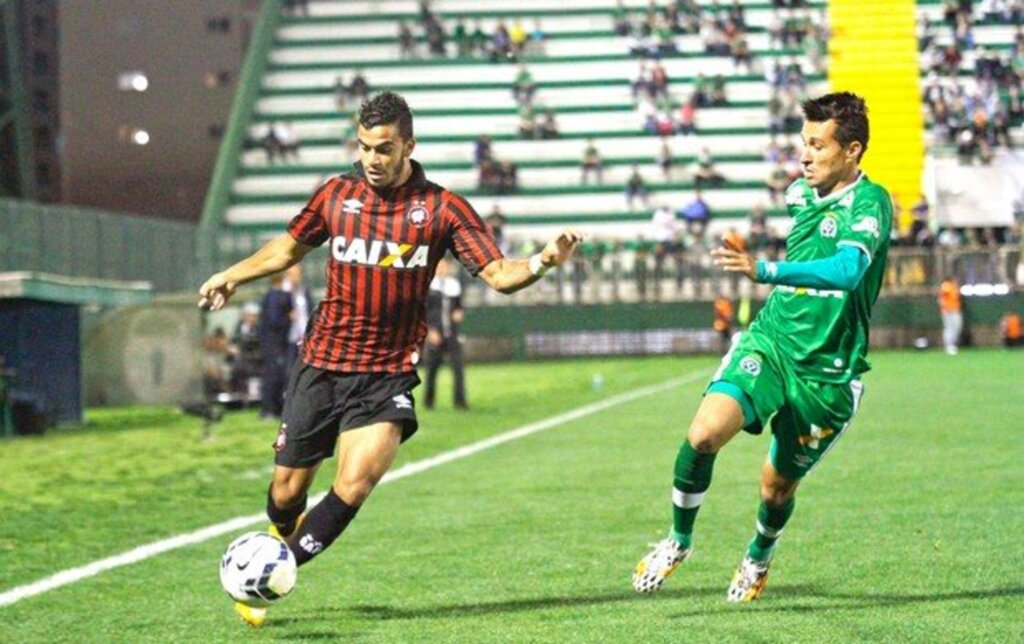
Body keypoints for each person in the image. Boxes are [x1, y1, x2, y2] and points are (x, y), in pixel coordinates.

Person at [198, 91, 582, 627]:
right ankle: (277, 544)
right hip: (322, 364)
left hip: (386, 374)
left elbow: (498, 275)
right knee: (286, 493)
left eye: (383, 148)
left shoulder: (443, 209)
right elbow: (286, 250)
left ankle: (274, 569)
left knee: (354, 484)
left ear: (409, 146)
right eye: (364, 147)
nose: (372, 160)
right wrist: (230, 276)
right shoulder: (336, 194)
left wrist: (543, 260)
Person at [632, 92, 893, 603]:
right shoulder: (799, 194)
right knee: (704, 434)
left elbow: (847, 270)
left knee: (776, 487)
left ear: (852, 151)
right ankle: (678, 541)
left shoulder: (871, 202)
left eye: (818, 145)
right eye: (803, 143)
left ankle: (758, 557)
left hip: (828, 374)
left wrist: (764, 270)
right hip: (771, 342)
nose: (805, 155)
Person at [423, 257, 467, 409]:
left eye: (444, 266)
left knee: (458, 369)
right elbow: (424, 311)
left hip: (452, 333)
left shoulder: (453, 285)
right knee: (432, 370)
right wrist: (429, 330)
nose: (442, 269)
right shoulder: (429, 286)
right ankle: (429, 401)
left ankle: (460, 402)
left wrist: (459, 312)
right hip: (436, 333)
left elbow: (459, 306)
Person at [259, 274, 293, 419]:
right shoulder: (274, 296)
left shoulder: (273, 295)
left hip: (273, 342)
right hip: (274, 343)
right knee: (273, 376)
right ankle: (269, 409)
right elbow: (274, 320)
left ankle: (274, 408)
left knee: (276, 375)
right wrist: (288, 318)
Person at [283, 263, 313, 368]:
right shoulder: (282, 293)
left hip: (304, 337)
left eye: (297, 274)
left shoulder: (305, 291)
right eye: (292, 275)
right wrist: (288, 316)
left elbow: (310, 309)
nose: (295, 278)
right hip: (289, 338)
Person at [938, 275, 963, 355]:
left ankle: (953, 345)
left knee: (957, 327)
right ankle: (949, 346)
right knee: (949, 328)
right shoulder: (946, 285)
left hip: (955, 309)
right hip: (948, 310)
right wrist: (944, 308)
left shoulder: (954, 286)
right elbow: (942, 298)